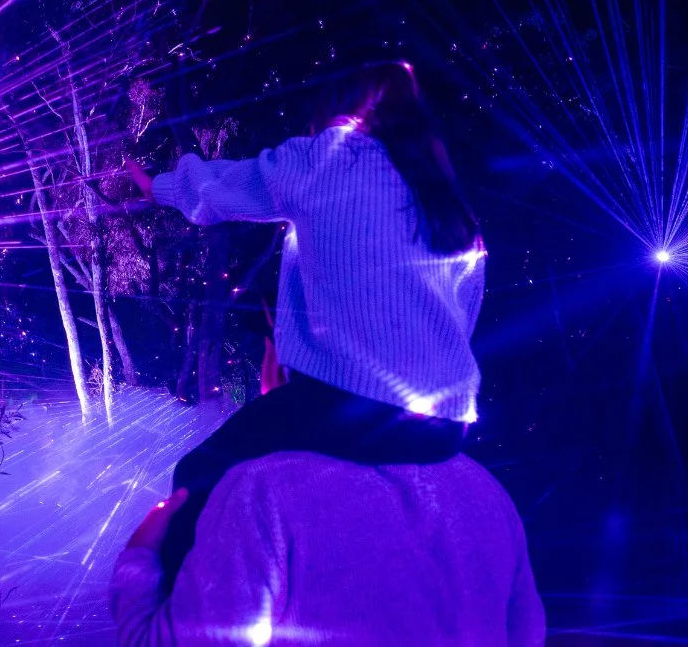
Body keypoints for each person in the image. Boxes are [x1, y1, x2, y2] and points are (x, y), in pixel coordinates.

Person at [110, 61, 545, 644]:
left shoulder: (329, 158)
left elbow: (223, 188)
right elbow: (458, 320)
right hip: (439, 424)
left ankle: (174, 605)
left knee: (199, 472)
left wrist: (156, 185)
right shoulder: (450, 208)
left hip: (343, 405)